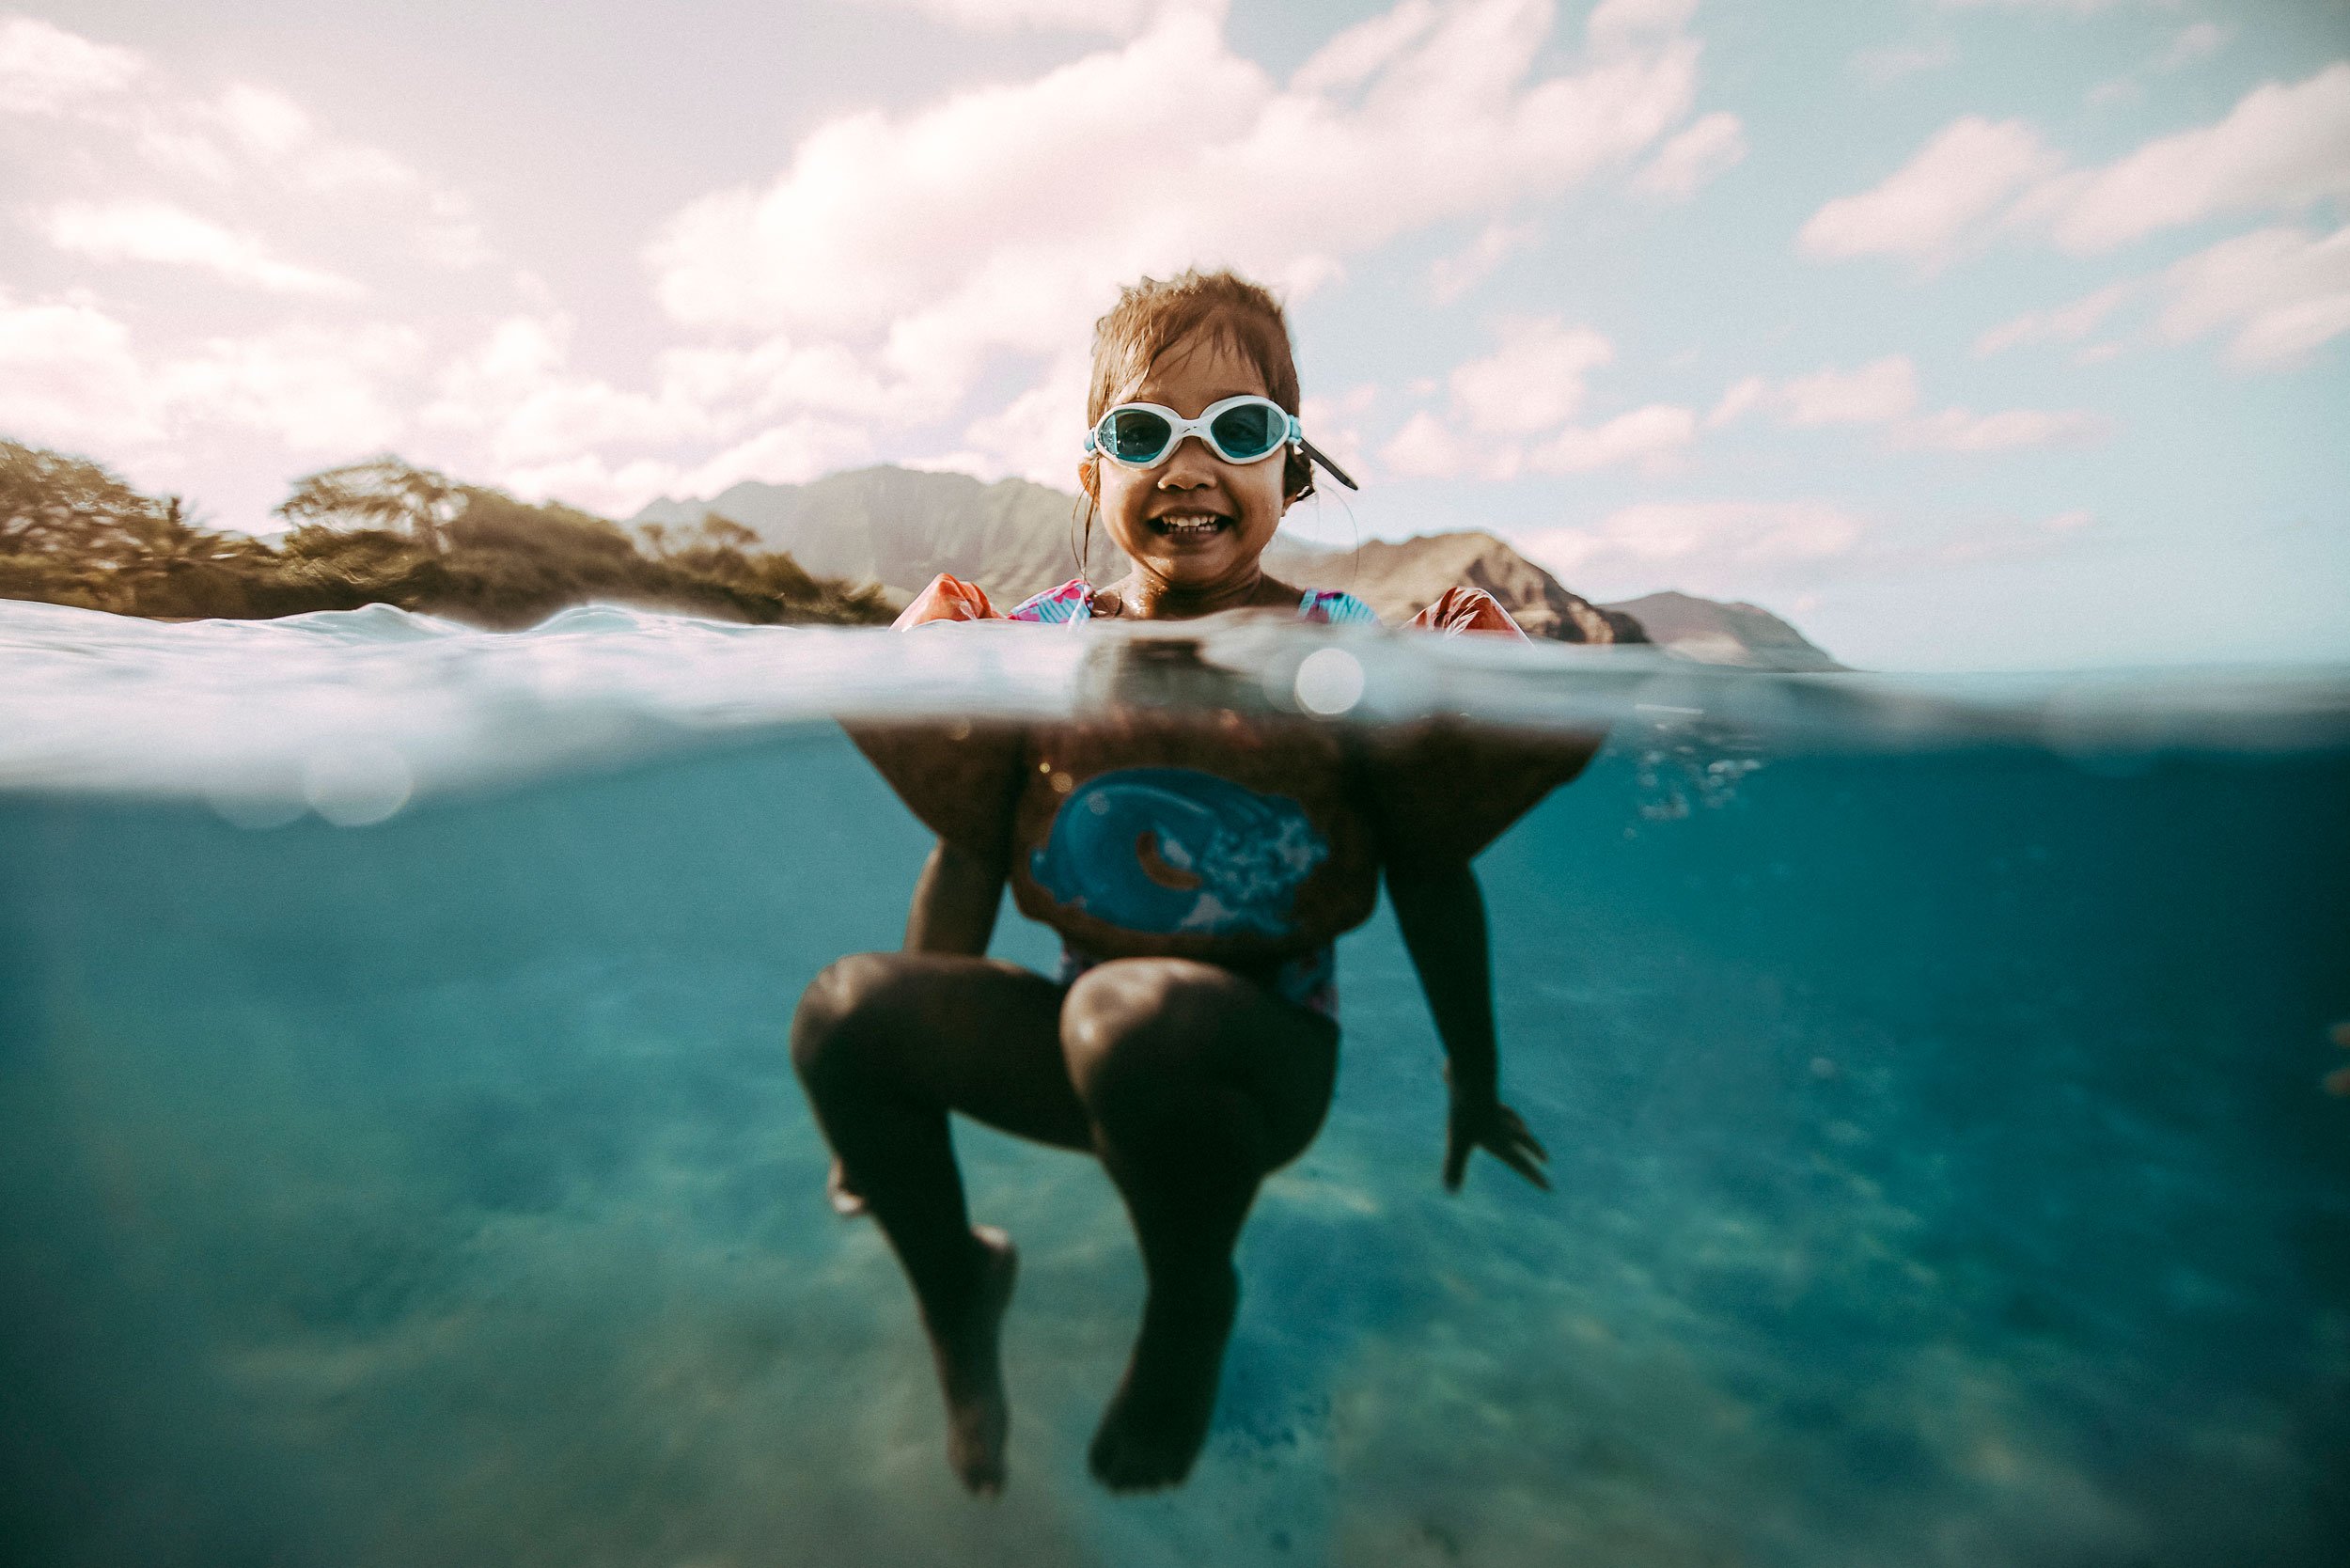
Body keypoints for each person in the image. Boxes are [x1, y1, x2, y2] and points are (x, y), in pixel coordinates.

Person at [791, 270, 1596, 1496]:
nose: (1189, 465)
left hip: (1257, 1065)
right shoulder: (1041, 643)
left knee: (1127, 1018)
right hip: (1085, 1042)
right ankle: (958, 1282)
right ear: (1090, 475)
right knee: (845, 1015)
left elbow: (1428, 870)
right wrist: (924, 1057)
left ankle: (1189, 1297)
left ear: (1295, 470)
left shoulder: (1345, 649)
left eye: (1240, 432)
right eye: (1140, 434)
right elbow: (968, 843)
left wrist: (1474, 1079)